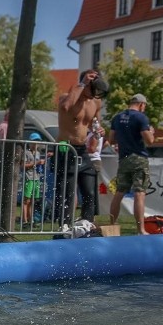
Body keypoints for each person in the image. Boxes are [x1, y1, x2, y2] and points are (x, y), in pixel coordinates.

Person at [53, 69, 106, 226]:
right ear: (85, 85)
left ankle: (86, 224)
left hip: (82, 149)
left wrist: (99, 132)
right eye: (92, 88)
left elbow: (95, 124)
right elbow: (66, 107)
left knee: (89, 191)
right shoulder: (68, 97)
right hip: (66, 147)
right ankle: (65, 225)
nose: (94, 94)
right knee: (67, 192)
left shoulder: (95, 102)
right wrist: (82, 83)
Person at [109, 94, 155, 235]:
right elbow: (149, 141)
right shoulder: (141, 118)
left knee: (119, 192)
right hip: (139, 158)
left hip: (124, 159)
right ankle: (140, 229)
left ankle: (112, 225)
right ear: (141, 104)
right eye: (144, 106)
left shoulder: (117, 117)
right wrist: (151, 132)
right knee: (139, 193)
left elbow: (111, 140)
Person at [21, 133, 45, 225]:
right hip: (29, 178)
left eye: (37, 142)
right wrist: (37, 162)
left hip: (36, 178)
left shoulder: (38, 153)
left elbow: (38, 163)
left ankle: (31, 220)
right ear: (30, 143)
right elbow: (23, 165)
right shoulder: (26, 153)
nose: (36, 144)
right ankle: (24, 221)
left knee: (33, 200)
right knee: (26, 200)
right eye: (34, 142)